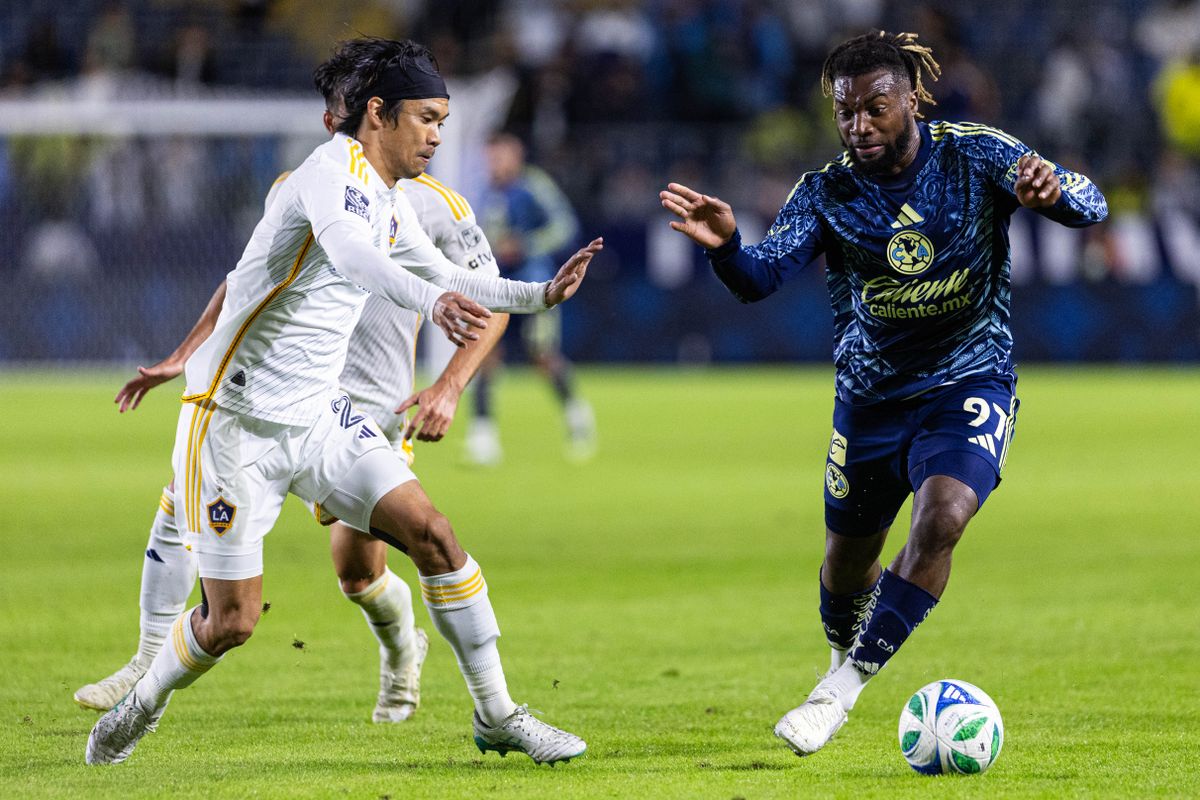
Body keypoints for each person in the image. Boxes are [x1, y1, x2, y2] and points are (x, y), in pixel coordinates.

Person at [85, 37, 602, 767]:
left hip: (321, 416)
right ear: (378, 114)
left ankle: (498, 714)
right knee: (231, 621)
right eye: (425, 118)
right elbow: (353, 256)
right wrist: (436, 299)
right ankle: (145, 697)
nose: (436, 135)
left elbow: (437, 265)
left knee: (435, 537)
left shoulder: (394, 200)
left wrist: (539, 293)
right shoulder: (327, 175)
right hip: (238, 423)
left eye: (443, 121)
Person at [660, 30, 1106, 757]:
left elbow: (1091, 203)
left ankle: (840, 691)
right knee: (845, 572)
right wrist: (728, 249)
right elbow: (762, 278)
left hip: (969, 379)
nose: (860, 125)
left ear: (912, 100)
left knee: (943, 518)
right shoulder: (827, 191)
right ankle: (844, 653)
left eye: (876, 107)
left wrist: (1054, 196)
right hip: (870, 400)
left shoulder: (974, 152)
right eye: (846, 112)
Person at [466, 132, 596, 465]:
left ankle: (576, 414)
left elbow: (565, 226)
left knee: (542, 355)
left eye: (501, 156)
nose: (495, 163)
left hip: (534, 286)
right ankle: (483, 437)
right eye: (491, 157)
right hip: (494, 287)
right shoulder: (481, 190)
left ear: (517, 155)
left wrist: (525, 245)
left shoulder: (533, 185)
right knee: (485, 355)